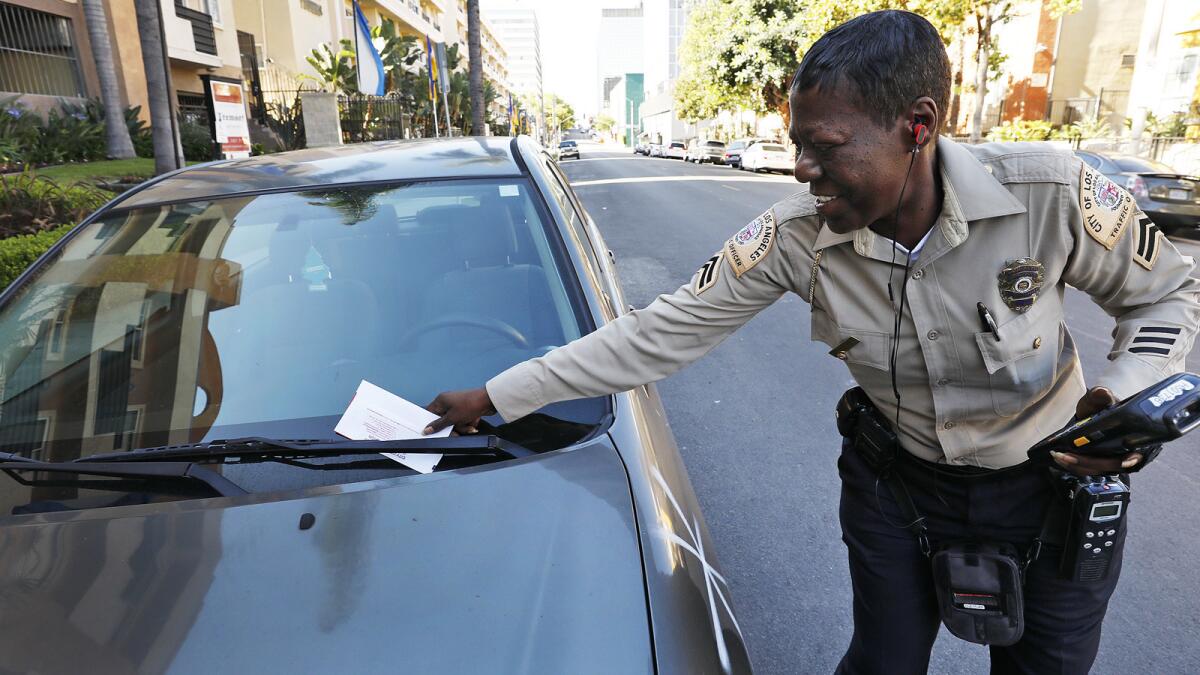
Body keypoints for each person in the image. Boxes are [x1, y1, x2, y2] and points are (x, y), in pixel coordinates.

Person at [425, 10, 1200, 674]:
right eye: (798, 144)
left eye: (826, 147)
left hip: (1049, 488)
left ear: (918, 126)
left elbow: (1168, 289)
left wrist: (1119, 404)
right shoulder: (796, 237)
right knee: (881, 662)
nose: (803, 170)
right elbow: (656, 333)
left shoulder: (1052, 192)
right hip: (899, 486)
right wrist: (497, 394)